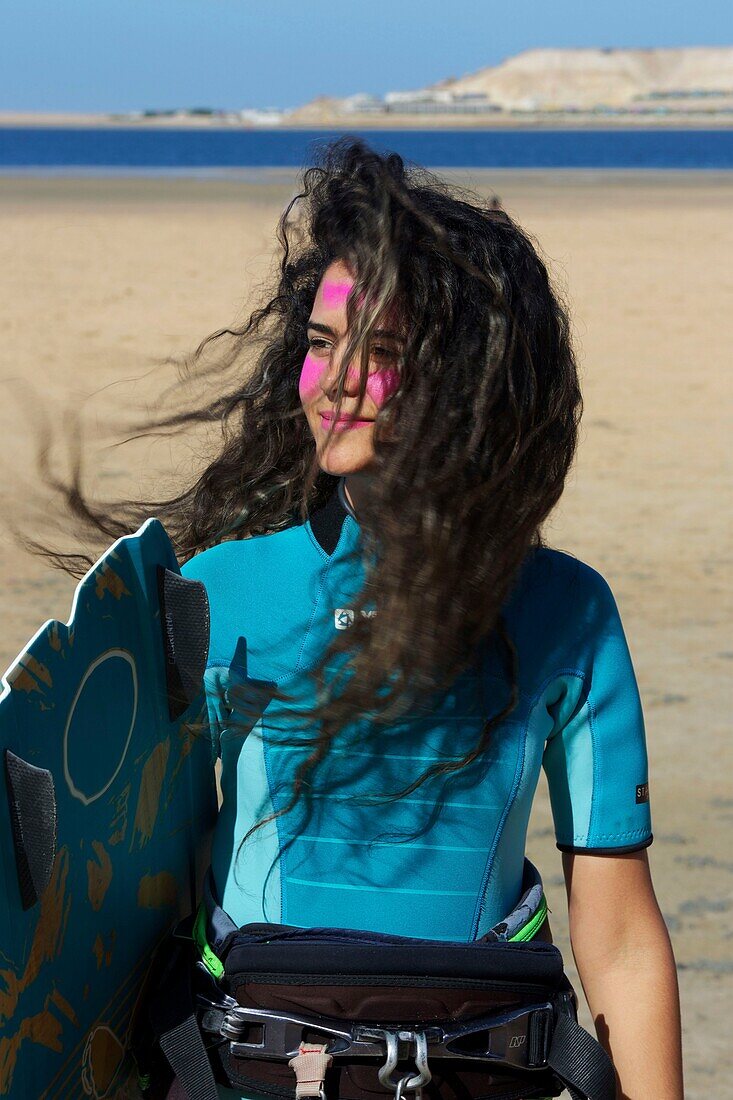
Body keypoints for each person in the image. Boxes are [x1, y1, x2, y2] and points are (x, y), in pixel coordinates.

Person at [33, 138, 684, 1098]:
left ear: (466, 380)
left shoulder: (564, 610)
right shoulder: (216, 590)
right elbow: (115, 887)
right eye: (322, 342)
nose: (337, 381)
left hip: (474, 1076)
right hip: (251, 1071)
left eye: (383, 352)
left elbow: (621, 937)